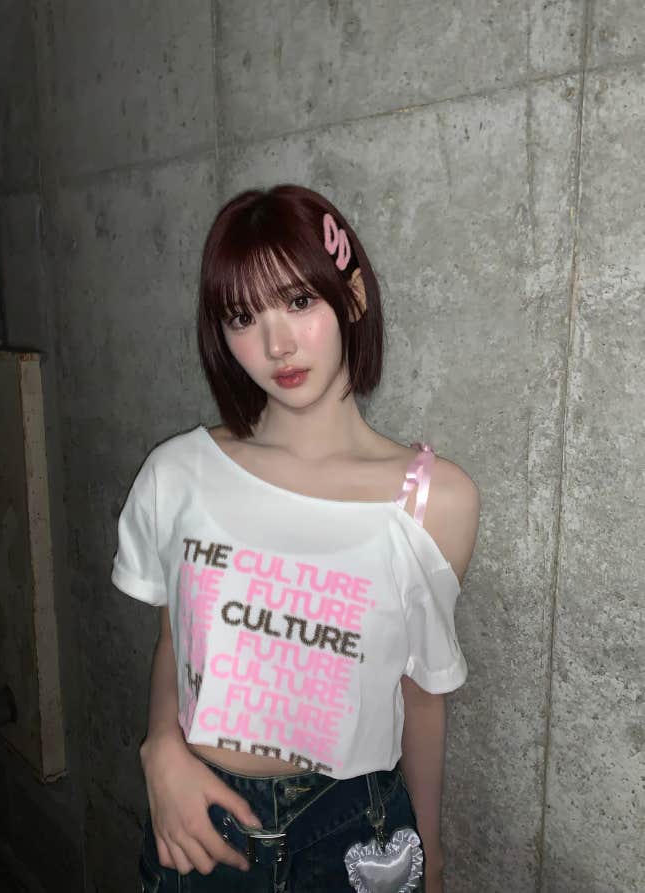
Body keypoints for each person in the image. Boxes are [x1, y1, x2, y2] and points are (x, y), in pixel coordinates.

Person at [111, 183, 480, 893]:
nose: (276, 343)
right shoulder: (179, 472)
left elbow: (421, 693)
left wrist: (431, 858)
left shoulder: (436, 499)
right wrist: (160, 745)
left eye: (300, 301)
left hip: (356, 826)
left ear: (353, 297)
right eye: (243, 316)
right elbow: (174, 638)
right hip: (203, 823)